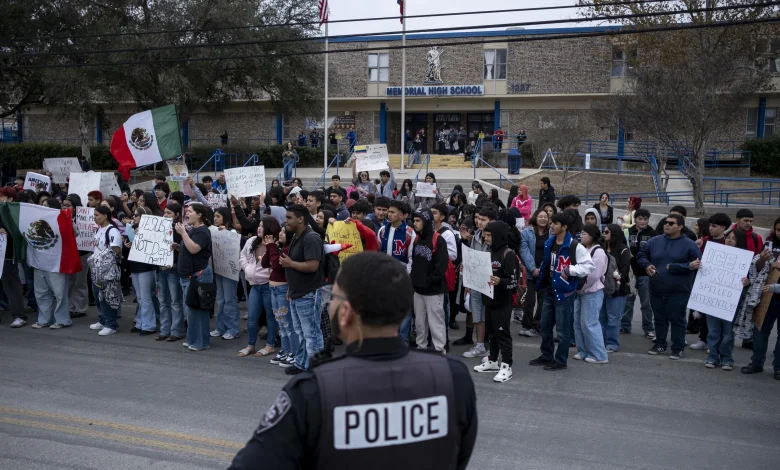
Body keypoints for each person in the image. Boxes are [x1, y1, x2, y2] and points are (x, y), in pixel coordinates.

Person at [228, 252, 477, 469]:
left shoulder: (312, 391)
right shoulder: (454, 377)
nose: (329, 305)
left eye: (334, 298)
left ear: (345, 314)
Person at [530, 213, 595, 371]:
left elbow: (589, 266)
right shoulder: (550, 242)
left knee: (562, 330)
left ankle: (560, 360)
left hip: (565, 293)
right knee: (545, 327)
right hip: (549, 290)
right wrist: (540, 281)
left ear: (564, 227)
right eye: (552, 223)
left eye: (555, 224)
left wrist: (571, 269)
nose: (551, 226)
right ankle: (546, 355)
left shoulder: (575, 246)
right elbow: (547, 263)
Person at [637, 213, 702, 360]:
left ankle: (677, 347)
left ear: (680, 227)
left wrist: (676, 267)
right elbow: (641, 255)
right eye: (666, 222)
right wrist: (646, 265)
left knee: (677, 319)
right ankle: (660, 343)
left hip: (679, 291)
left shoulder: (689, 245)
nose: (667, 225)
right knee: (659, 318)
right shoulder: (655, 241)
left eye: (671, 223)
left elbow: (698, 264)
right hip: (656, 288)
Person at [472, 220, 520, 382]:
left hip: (502, 302)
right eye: (485, 235)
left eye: (488, 235)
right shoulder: (488, 252)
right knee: (491, 332)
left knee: (502, 334)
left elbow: (514, 283)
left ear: (498, 236)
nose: (485, 238)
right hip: (488, 300)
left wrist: (501, 282)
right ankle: (492, 360)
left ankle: (507, 365)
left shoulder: (508, 254)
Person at [280, 204, 325, 375]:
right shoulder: (297, 237)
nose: (286, 221)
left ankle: (316, 369)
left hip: (308, 293)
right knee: (300, 332)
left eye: (289, 217)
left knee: (311, 333)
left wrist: (290, 263)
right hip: (297, 292)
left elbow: (313, 266)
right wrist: (290, 289)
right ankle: (301, 364)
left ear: (300, 219)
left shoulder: (311, 238)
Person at [704, 229, 749, 370]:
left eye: (733, 239)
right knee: (713, 331)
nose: (729, 240)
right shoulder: (715, 254)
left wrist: (748, 282)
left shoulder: (746, 260)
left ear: (740, 242)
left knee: (728, 333)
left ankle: (727, 358)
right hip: (713, 299)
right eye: (728, 237)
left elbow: (752, 279)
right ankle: (712, 356)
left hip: (731, 302)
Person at [458, 205, 497, 354]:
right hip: (476, 282)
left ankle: (492, 349)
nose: (479, 222)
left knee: (490, 316)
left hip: (490, 284)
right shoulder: (475, 236)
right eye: (478, 219)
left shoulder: (496, 237)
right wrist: (466, 274)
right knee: (477, 314)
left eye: (483, 219)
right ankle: (479, 345)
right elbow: (472, 256)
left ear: (492, 221)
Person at [176, 203, 214, 352]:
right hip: (188, 276)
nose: (186, 214)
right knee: (191, 310)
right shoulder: (194, 230)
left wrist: (183, 233)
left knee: (198, 310)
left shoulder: (203, 232)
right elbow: (189, 247)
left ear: (199, 215)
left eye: (190, 211)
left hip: (198, 276)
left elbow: (194, 249)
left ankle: (201, 342)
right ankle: (193, 339)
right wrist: (178, 246)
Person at [410, 208, 449, 353]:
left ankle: (440, 351)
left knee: (436, 323)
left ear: (426, 221)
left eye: (418, 221)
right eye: (414, 221)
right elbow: (414, 262)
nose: (415, 223)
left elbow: (441, 266)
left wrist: (429, 281)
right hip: (418, 290)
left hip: (433, 290)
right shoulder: (417, 239)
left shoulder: (438, 239)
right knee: (420, 324)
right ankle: (421, 348)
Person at [239, 217, 277, 357]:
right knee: (252, 317)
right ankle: (250, 345)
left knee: (270, 316)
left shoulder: (274, 244)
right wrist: (247, 267)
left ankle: (270, 345)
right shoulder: (251, 241)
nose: (259, 228)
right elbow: (242, 255)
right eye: (259, 225)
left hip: (268, 285)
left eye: (263, 226)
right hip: (254, 286)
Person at [262, 224, 299, 368]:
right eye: (281, 231)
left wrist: (272, 247)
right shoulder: (278, 248)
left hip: (283, 290)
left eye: (284, 231)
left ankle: (294, 353)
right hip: (274, 290)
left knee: (288, 323)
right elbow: (265, 263)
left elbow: (277, 265)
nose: (281, 233)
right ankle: (285, 350)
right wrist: (270, 247)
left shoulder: (289, 249)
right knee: (281, 323)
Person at [574, 224, 609, 364]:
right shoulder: (584, 249)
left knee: (590, 323)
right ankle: (583, 350)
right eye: (581, 233)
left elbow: (593, 275)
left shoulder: (598, 252)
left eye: (585, 234)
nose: (582, 236)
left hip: (591, 292)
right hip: (581, 291)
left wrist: (580, 286)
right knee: (578, 322)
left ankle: (599, 354)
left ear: (593, 236)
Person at [621, 208, 657, 338]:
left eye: (645, 219)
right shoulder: (626, 232)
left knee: (646, 303)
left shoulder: (654, 234)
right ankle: (625, 326)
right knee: (628, 302)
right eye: (640, 219)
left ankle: (648, 328)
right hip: (630, 274)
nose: (642, 221)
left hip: (645, 275)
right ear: (635, 219)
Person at [88, 205, 123, 336]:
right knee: (98, 296)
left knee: (107, 298)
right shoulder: (99, 230)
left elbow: (116, 250)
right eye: (94, 215)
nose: (94, 218)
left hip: (107, 271)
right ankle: (103, 320)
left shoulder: (112, 231)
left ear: (105, 216)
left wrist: (104, 254)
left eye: (97, 215)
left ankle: (111, 324)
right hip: (96, 270)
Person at [124, 206, 158, 336]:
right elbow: (129, 246)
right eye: (134, 215)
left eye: (137, 215)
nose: (134, 217)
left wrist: (143, 234)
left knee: (145, 297)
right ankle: (140, 323)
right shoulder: (132, 229)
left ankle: (149, 325)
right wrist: (128, 245)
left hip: (145, 267)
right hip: (135, 266)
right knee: (139, 297)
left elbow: (153, 248)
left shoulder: (151, 230)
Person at [599, 224, 632, 353]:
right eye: (603, 231)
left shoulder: (623, 250)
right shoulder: (601, 248)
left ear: (614, 234)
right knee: (601, 316)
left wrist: (615, 277)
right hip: (602, 288)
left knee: (613, 318)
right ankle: (600, 340)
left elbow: (623, 271)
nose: (604, 234)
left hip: (618, 289)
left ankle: (612, 343)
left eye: (607, 232)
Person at [518, 209, 550, 337]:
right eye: (540, 216)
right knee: (529, 300)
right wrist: (532, 268)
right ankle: (526, 325)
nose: (543, 219)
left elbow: (552, 251)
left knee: (543, 301)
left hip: (545, 271)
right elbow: (523, 250)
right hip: (530, 272)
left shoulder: (552, 233)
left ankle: (537, 326)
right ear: (535, 217)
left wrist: (542, 269)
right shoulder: (527, 232)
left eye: (545, 217)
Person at [210, 207, 241, 340]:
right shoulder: (213, 231)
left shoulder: (232, 232)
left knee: (230, 300)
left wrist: (226, 233)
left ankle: (232, 328)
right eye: (214, 216)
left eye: (218, 216)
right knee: (220, 299)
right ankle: (220, 327)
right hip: (218, 268)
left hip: (229, 271)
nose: (215, 219)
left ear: (225, 219)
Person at [156, 202, 184, 342]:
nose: (165, 215)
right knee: (163, 301)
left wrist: (178, 247)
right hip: (161, 269)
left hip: (173, 269)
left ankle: (176, 331)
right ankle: (164, 330)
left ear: (177, 215)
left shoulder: (180, 230)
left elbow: (184, 249)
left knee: (175, 301)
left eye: (169, 213)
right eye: (164, 212)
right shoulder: (158, 228)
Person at [0, 188, 28, 328]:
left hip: (7, 255)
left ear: (10, 199)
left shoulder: (14, 212)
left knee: (11, 285)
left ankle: (19, 315)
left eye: (2, 196)